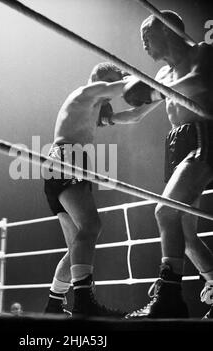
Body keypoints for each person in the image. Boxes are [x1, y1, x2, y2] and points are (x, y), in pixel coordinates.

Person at [110, 11, 213, 319]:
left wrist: (154, 91)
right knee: (184, 233)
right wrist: (107, 118)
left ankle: (169, 297)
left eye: (147, 35)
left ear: (167, 30)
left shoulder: (202, 52)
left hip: (202, 136)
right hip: (176, 143)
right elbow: (138, 114)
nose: (143, 43)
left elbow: (198, 82)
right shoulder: (163, 75)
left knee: (164, 211)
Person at [43, 62, 156, 317]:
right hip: (67, 157)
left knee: (76, 247)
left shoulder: (91, 107)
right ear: (105, 78)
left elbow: (132, 116)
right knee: (91, 226)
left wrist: (160, 97)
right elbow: (122, 87)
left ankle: (54, 304)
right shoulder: (88, 92)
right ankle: (84, 302)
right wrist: (153, 81)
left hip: (66, 161)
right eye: (114, 79)